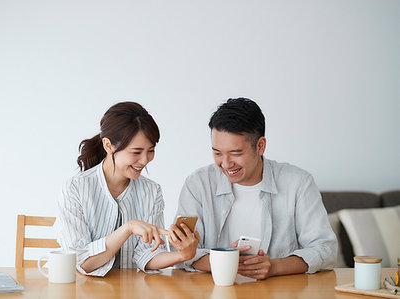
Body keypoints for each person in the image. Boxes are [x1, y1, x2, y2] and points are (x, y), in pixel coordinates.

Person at [174, 98, 337, 279]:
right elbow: (179, 251)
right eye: (217, 153)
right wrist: (226, 262)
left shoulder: (299, 183)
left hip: (278, 291)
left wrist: (274, 267)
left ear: (260, 146)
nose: (226, 164)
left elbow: (325, 249)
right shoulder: (198, 184)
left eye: (236, 153)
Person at [54, 101, 200, 276]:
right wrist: (128, 228)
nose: (145, 160)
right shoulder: (75, 188)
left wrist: (182, 255)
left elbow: (147, 254)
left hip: (131, 291)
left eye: (151, 150)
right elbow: (81, 262)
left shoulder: (152, 192)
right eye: (136, 152)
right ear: (108, 145)